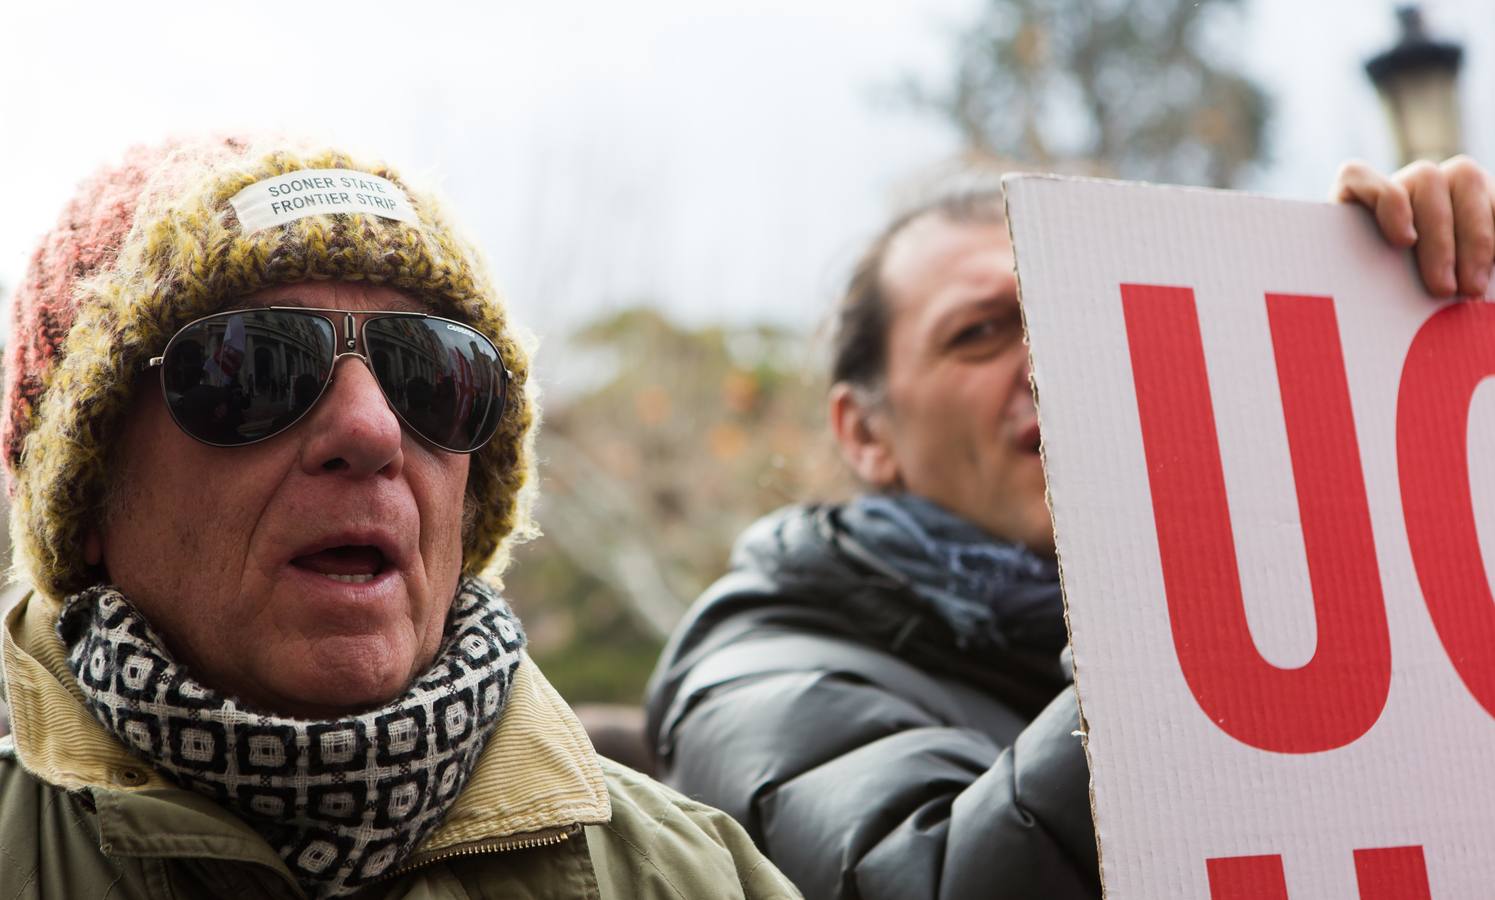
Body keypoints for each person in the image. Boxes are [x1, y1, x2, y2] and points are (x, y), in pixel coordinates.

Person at [643, 156, 1495, 900]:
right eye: (979, 332)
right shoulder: (755, 673)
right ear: (865, 433)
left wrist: (1397, 305)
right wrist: (1234, 597)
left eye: (1068, 300)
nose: (1048, 349)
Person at [0, 137, 802, 900]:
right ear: (89, 495)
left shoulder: (697, 877)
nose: (371, 431)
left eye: (430, 375)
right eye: (255, 367)